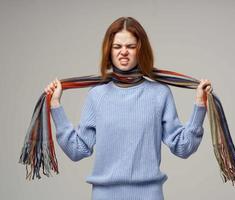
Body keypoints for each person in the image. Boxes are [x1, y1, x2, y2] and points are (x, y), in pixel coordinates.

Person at [44, 17, 212, 200]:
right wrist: (55, 106)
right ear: (109, 50)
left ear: (141, 50)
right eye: (117, 47)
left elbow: (183, 147)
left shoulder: (159, 94)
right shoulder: (97, 95)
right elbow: (77, 150)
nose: (123, 52)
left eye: (131, 47)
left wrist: (199, 106)